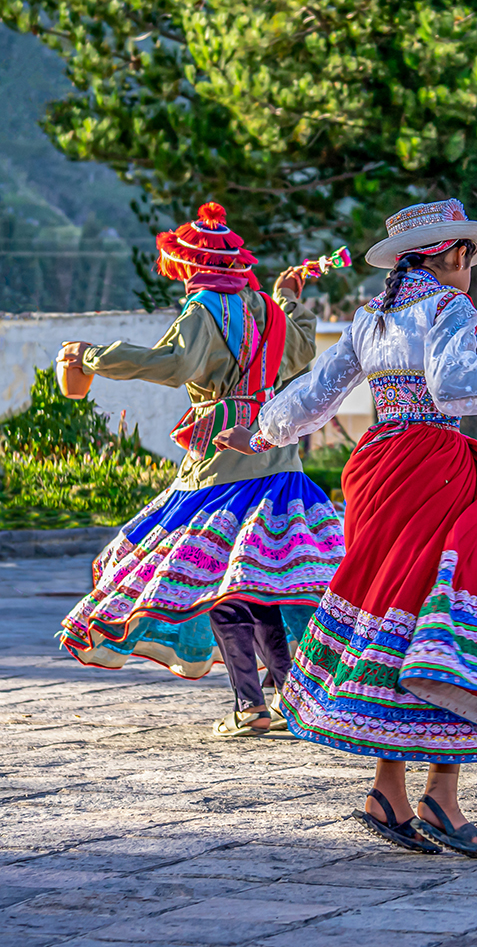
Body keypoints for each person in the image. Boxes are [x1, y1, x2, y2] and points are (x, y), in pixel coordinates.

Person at [214, 197, 477, 853]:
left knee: (401, 620)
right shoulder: (448, 306)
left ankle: (396, 791)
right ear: (451, 255)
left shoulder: (371, 316)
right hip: (428, 468)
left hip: (377, 470)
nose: (469, 265)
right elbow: (455, 386)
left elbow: (315, 394)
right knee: (463, 619)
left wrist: (260, 429)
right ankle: (435, 795)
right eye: (466, 254)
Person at [59, 202, 344, 737]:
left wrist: (94, 357)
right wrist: (288, 298)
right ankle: (291, 699)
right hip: (275, 453)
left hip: (219, 463)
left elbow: (174, 366)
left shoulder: (204, 310)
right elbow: (301, 350)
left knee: (222, 586)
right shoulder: (266, 308)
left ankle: (252, 706)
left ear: (191, 266)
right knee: (262, 586)